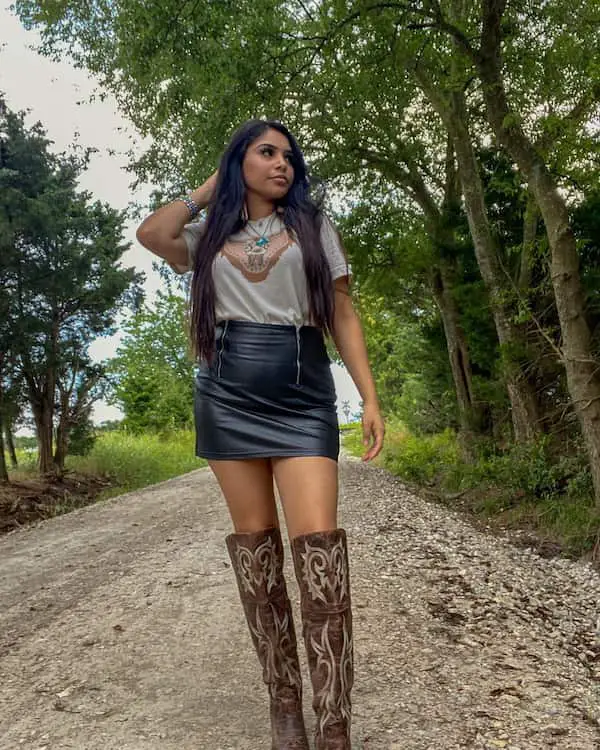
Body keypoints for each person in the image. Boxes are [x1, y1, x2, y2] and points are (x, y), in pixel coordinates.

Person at [136, 118, 384, 750]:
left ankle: (334, 726)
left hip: (303, 394)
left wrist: (368, 398)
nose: (283, 165)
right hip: (226, 392)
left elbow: (345, 313)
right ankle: (285, 709)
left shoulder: (313, 226)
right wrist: (207, 187)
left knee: (320, 551)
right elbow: (150, 233)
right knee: (257, 552)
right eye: (266, 153)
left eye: (289, 157)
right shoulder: (208, 233)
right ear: (237, 161)